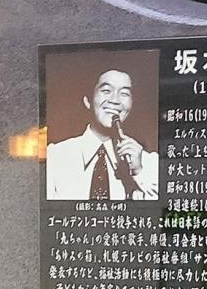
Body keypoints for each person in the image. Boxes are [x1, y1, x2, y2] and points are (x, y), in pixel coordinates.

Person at [46, 69, 158, 200]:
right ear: (88, 101)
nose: (115, 100)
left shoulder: (149, 163)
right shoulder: (54, 156)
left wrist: (139, 172)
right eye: (106, 91)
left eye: (124, 93)